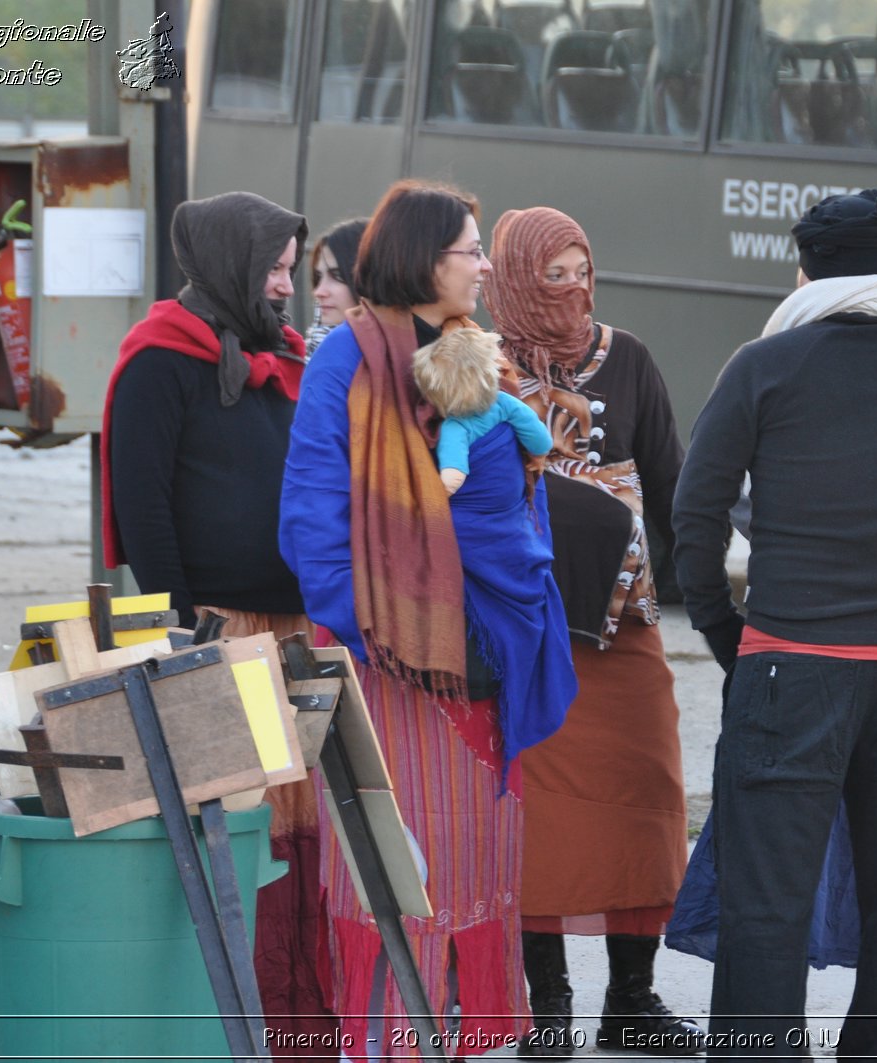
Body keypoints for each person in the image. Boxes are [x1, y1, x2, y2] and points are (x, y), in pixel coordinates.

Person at [673, 189, 877, 1059]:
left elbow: (696, 511)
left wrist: (724, 631)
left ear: (807, 269)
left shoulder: (765, 365)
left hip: (789, 667)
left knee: (767, 908)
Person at [279, 179, 576, 1057]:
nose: (484, 265)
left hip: (486, 650)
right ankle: (388, 1043)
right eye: (469, 250)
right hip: (388, 665)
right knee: (395, 876)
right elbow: (312, 524)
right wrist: (390, 637)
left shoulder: (470, 347)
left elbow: (524, 485)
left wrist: (512, 609)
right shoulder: (347, 360)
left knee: (475, 867)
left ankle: (461, 1041)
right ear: (421, 256)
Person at [99, 191, 339, 1051]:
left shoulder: (286, 355)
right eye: (273, 268)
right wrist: (180, 634)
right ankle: (231, 1020)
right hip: (218, 634)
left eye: (289, 268)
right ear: (231, 262)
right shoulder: (161, 359)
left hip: (293, 631)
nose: (285, 286)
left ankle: (301, 1021)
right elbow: (143, 506)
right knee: (238, 832)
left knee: (297, 834)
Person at [481, 205, 705, 1057]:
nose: (574, 290)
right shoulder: (481, 365)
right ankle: (550, 1010)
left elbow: (674, 483)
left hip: (624, 626)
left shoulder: (631, 359)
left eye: (583, 270)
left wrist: (710, 595)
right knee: (540, 817)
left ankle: (633, 1001)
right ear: (514, 280)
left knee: (647, 795)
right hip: (525, 631)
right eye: (554, 275)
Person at [412, 328, 552, 494]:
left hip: (477, 503)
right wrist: (539, 454)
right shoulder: (504, 402)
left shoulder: (454, 427)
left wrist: (437, 496)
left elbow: (453, 475)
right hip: (511, 492)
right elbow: (534, 429)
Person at [306, 217, 368, 355]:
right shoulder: (310, 352)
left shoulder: (406, 357)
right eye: (318, 277)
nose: (318, 292)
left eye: (337, 276)